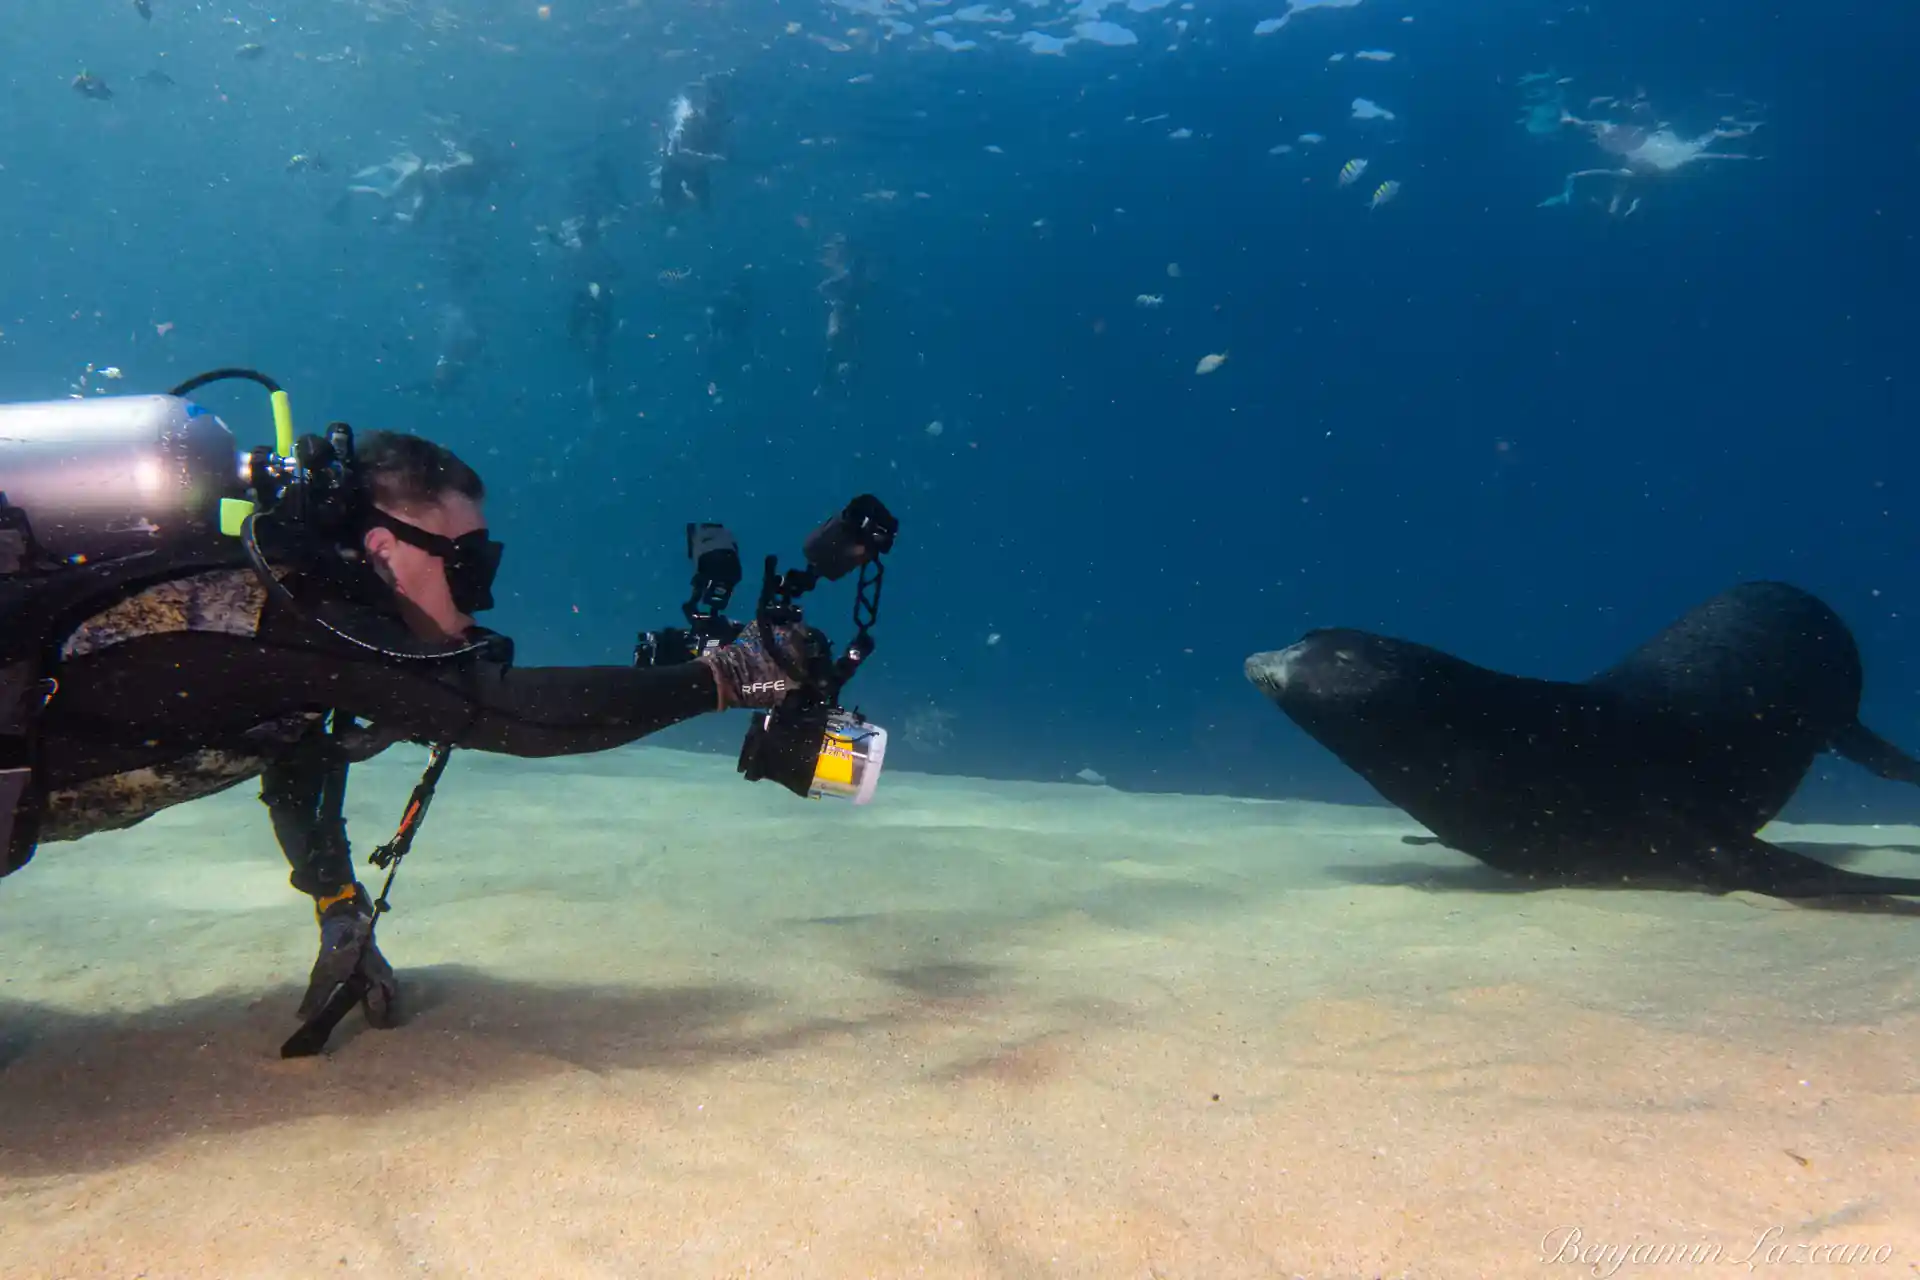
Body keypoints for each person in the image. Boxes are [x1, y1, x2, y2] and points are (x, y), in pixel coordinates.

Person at [10, 428, 815, 1034]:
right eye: (471, 567)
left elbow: (297, 754)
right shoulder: (290, 624)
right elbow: (508, 715)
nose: (477, 600)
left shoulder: (291, 621)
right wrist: (727, 678)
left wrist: (337, 907)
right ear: (383, 549)